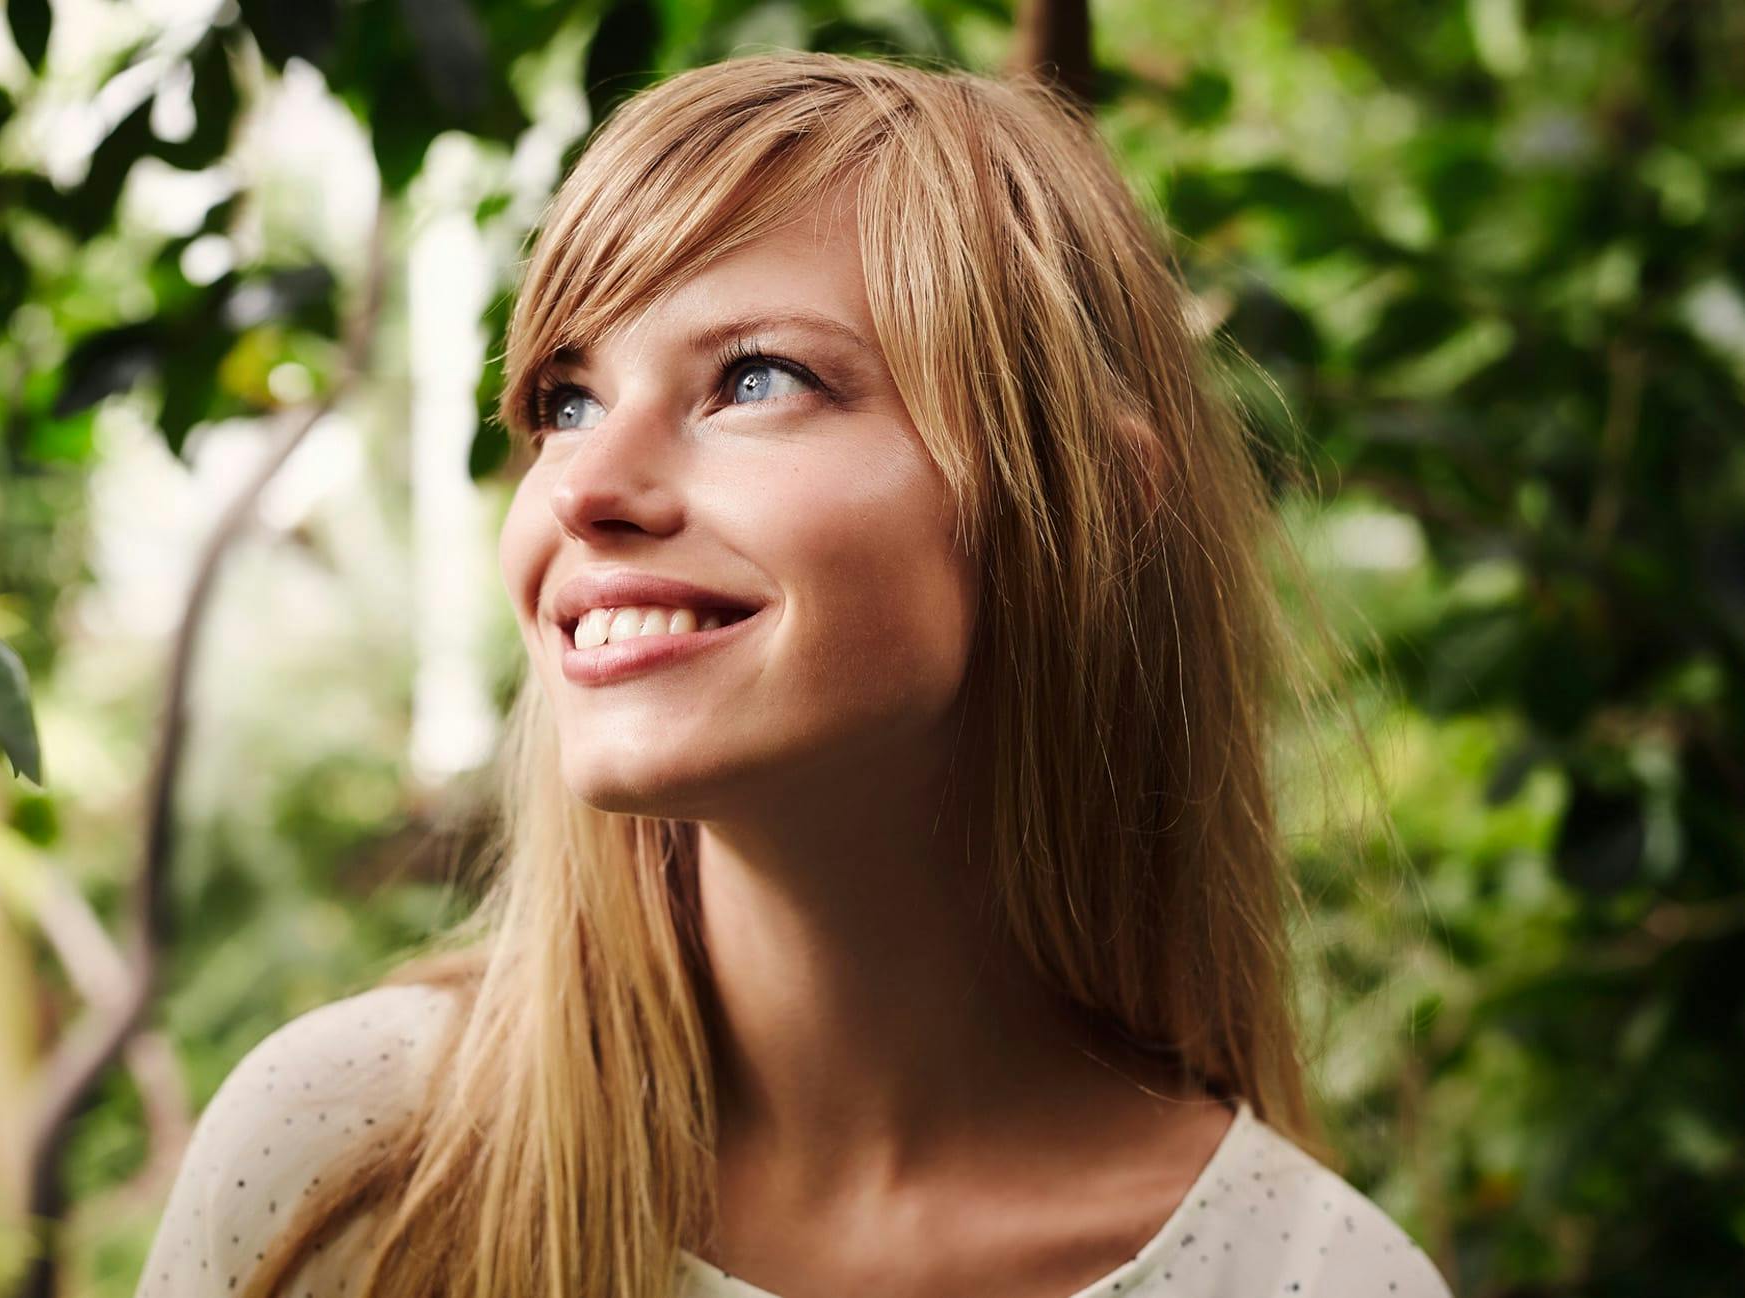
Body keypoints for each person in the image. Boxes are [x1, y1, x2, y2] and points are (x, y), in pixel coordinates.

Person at [136, 50, 1457, 1298]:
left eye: (752, 377)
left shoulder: (1309, 1271)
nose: (580, 486)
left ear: (1084, 506)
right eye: (564, 400)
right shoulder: (349, 1163)